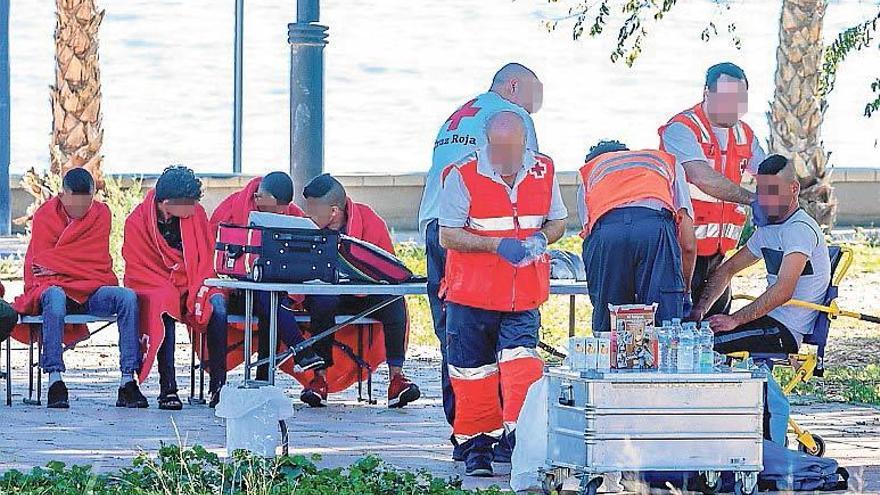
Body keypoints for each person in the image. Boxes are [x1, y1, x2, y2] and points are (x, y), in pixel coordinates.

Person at [418, 62, 542, 460]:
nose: (535, 107)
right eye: (533, 95)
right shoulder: (511, 118)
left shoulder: (457, 115)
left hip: (436, 225)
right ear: (513, 85)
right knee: (503, 338)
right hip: (483, 234)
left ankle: (466, 436)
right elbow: (526, 180)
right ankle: (506, 438)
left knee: (455, 336)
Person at [439, 111, 567, 476]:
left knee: (521, 367)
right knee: (472, 375)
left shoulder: (544, 170)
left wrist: (541, 239)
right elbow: (447, 235)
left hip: (523, 295)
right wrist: (497, 247)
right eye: (497, 149)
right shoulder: (461, 175)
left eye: (511, 149)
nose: (504, 158)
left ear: (525, 144)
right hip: (471, 296)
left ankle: (518, 441)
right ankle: (476, 447)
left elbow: (557, 221)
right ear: (486, 143)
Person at [10, 168, 145, 409]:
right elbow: (40, 264)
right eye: (75, 206)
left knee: (127, 297)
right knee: (54, 297)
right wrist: (61, 267)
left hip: (93, 287)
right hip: (57, 289)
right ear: (62, 195)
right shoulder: (45, 215)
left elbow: (92, 259)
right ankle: (55, 380)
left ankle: (127, 381)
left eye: (87, 204)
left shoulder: (101, 214)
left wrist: (58, 265)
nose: (81, 211)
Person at [299, 173, 420, 409]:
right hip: (326, 294)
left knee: (393, 299)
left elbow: (388, 268)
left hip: (367, 293)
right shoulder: (304, 227)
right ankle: (319, 379)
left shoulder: (370, 220)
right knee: (323, 301)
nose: (307, 214)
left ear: (334, 211)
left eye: (313, 208)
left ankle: (397, 378)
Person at [690, 155, 830, 354]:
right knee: (694, 339)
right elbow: (728, 269)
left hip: (785, 331)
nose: (765, 199)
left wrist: (735, 319)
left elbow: (783, 290)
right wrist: (700, 309)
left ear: (794, 189)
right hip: (767, 320)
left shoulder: (800, 230)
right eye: (761, 191)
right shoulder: (768, 229)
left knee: (701, 347)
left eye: (773, 191)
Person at [659, 62, 767, 317]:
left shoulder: (745, 135)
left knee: (716, 330)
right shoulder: (682, 129)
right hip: (681, 252)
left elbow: (767, 172)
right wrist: (753, 199)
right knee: (677, 326)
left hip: (719, 255)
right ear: (707, 93)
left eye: (740, 99)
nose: (735, 106)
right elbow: (701, 176)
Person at [123, 165, 229, 410]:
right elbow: (137, 268)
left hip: (195, 281)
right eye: (188, 204)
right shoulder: (136, 222)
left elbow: (207, 258)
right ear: (167, 203)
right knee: (164, 304)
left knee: (218, 305)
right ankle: (167, 388)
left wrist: (194, 284)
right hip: (156, 285)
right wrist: (169, 284)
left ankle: (218, 386)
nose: (193, 208)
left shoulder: (196, 214)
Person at [209, 172, 325, 377]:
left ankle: (271, 371)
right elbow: (213, 252)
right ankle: (299, 349)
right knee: (268, 296)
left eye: (284, 208)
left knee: (270, 297)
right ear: (262, 198)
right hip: (238, 291)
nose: (282, 212)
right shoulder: (230, 209)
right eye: (277, 208)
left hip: (279, 292)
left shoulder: (293, 214)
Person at [577, 140, 696, 332]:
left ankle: (608, 351)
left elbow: (591, 239)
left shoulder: (591, 172)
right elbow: (688, 244)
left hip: (607, 234)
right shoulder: (664, 162)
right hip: (655, 229)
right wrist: (685, 290)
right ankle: (662, 355)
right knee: (663, 324)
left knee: (610, 319)